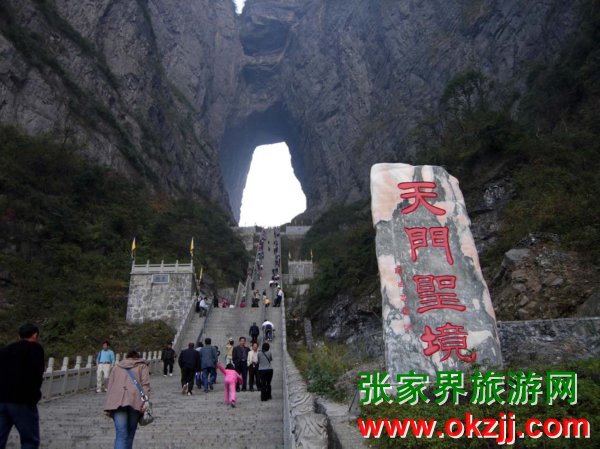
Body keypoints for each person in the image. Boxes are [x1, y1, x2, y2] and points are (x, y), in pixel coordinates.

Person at [0, 323, 45, 449]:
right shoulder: (34, 348)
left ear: (19, 336)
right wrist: (34, 396)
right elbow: (36, 374)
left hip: (2, 399)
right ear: (35, 335)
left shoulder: (5, 350)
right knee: (29, 440)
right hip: (22, 400)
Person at [104, 350, 150, 449]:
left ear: (127, 357)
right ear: (138, 358)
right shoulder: (142, 366)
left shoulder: (117, 367)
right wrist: (145, 402)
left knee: (121, 434)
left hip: (117, 403)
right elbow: (145, 385)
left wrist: (108, 405)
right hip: (135, 402)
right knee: (130, 432)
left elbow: (110, 386)